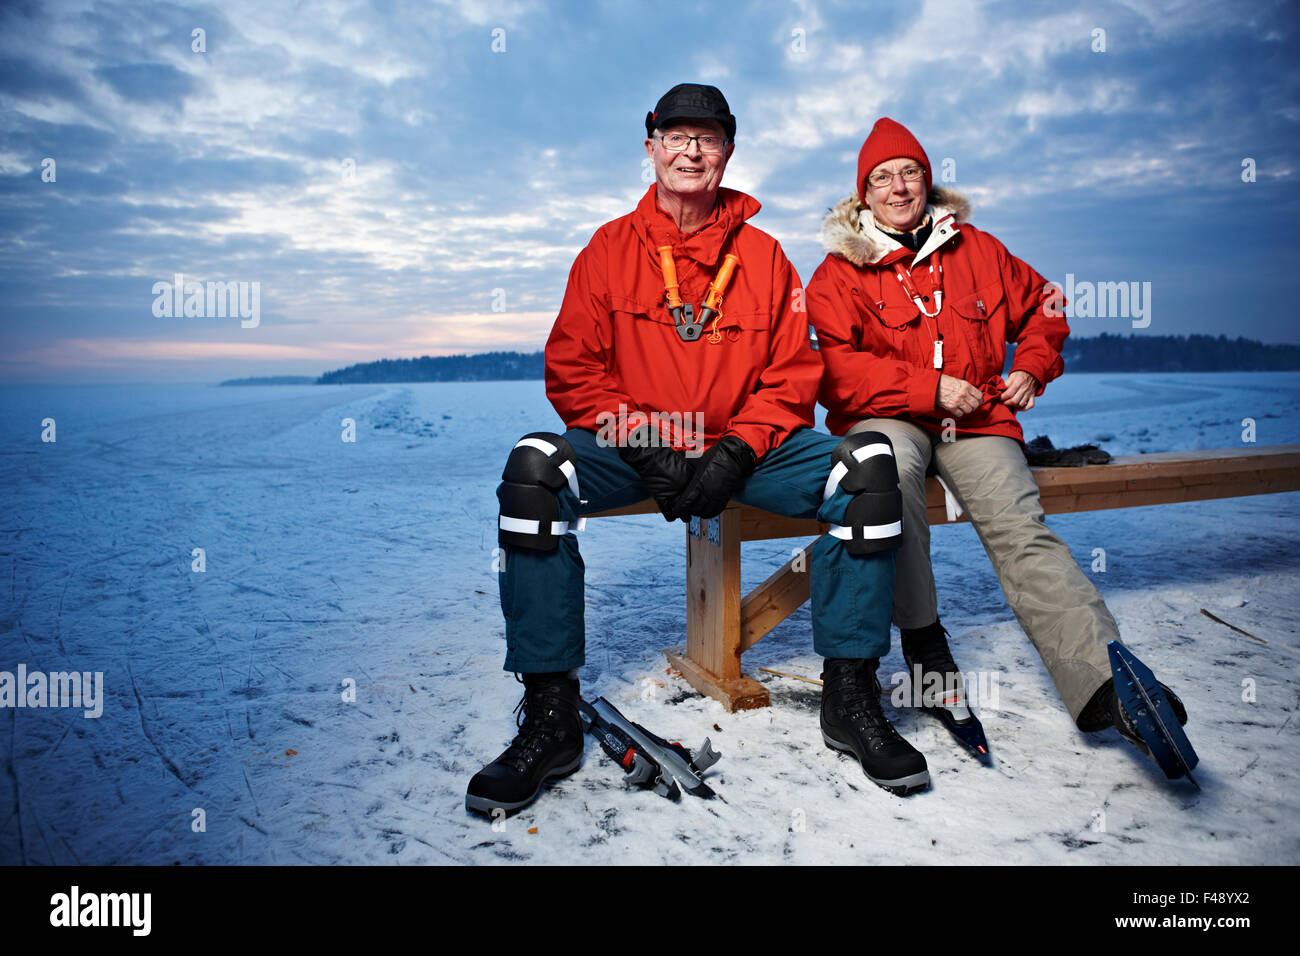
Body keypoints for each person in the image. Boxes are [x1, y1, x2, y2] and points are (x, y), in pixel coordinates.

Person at [467, 86, 927, 816]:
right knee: (534, 469)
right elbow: (573, 368)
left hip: (747, 445)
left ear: (728, 152)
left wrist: (738, 452)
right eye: (676, 137)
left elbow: (791, 374)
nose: (691, 151)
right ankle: (551, 713)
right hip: (639, 442)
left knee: (868, 467)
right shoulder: (608, 249)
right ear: (650, 148)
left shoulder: (766, 256)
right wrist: (648, 443)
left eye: (707, 140)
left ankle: (851, 695)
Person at [805, 117, 1187, 763]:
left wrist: (1032, 365)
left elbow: (1048, 303)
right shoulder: (838, 272)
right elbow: (839, 373)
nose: (899, 188)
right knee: (886, 477)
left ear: (928, 181)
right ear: (862, 194)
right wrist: (929, 390)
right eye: (883, 178)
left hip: (978, 417)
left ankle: (1105, 680)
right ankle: (926, 647)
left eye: (911, 173)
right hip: (889, 415)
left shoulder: (977, 250)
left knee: (1019, 522)